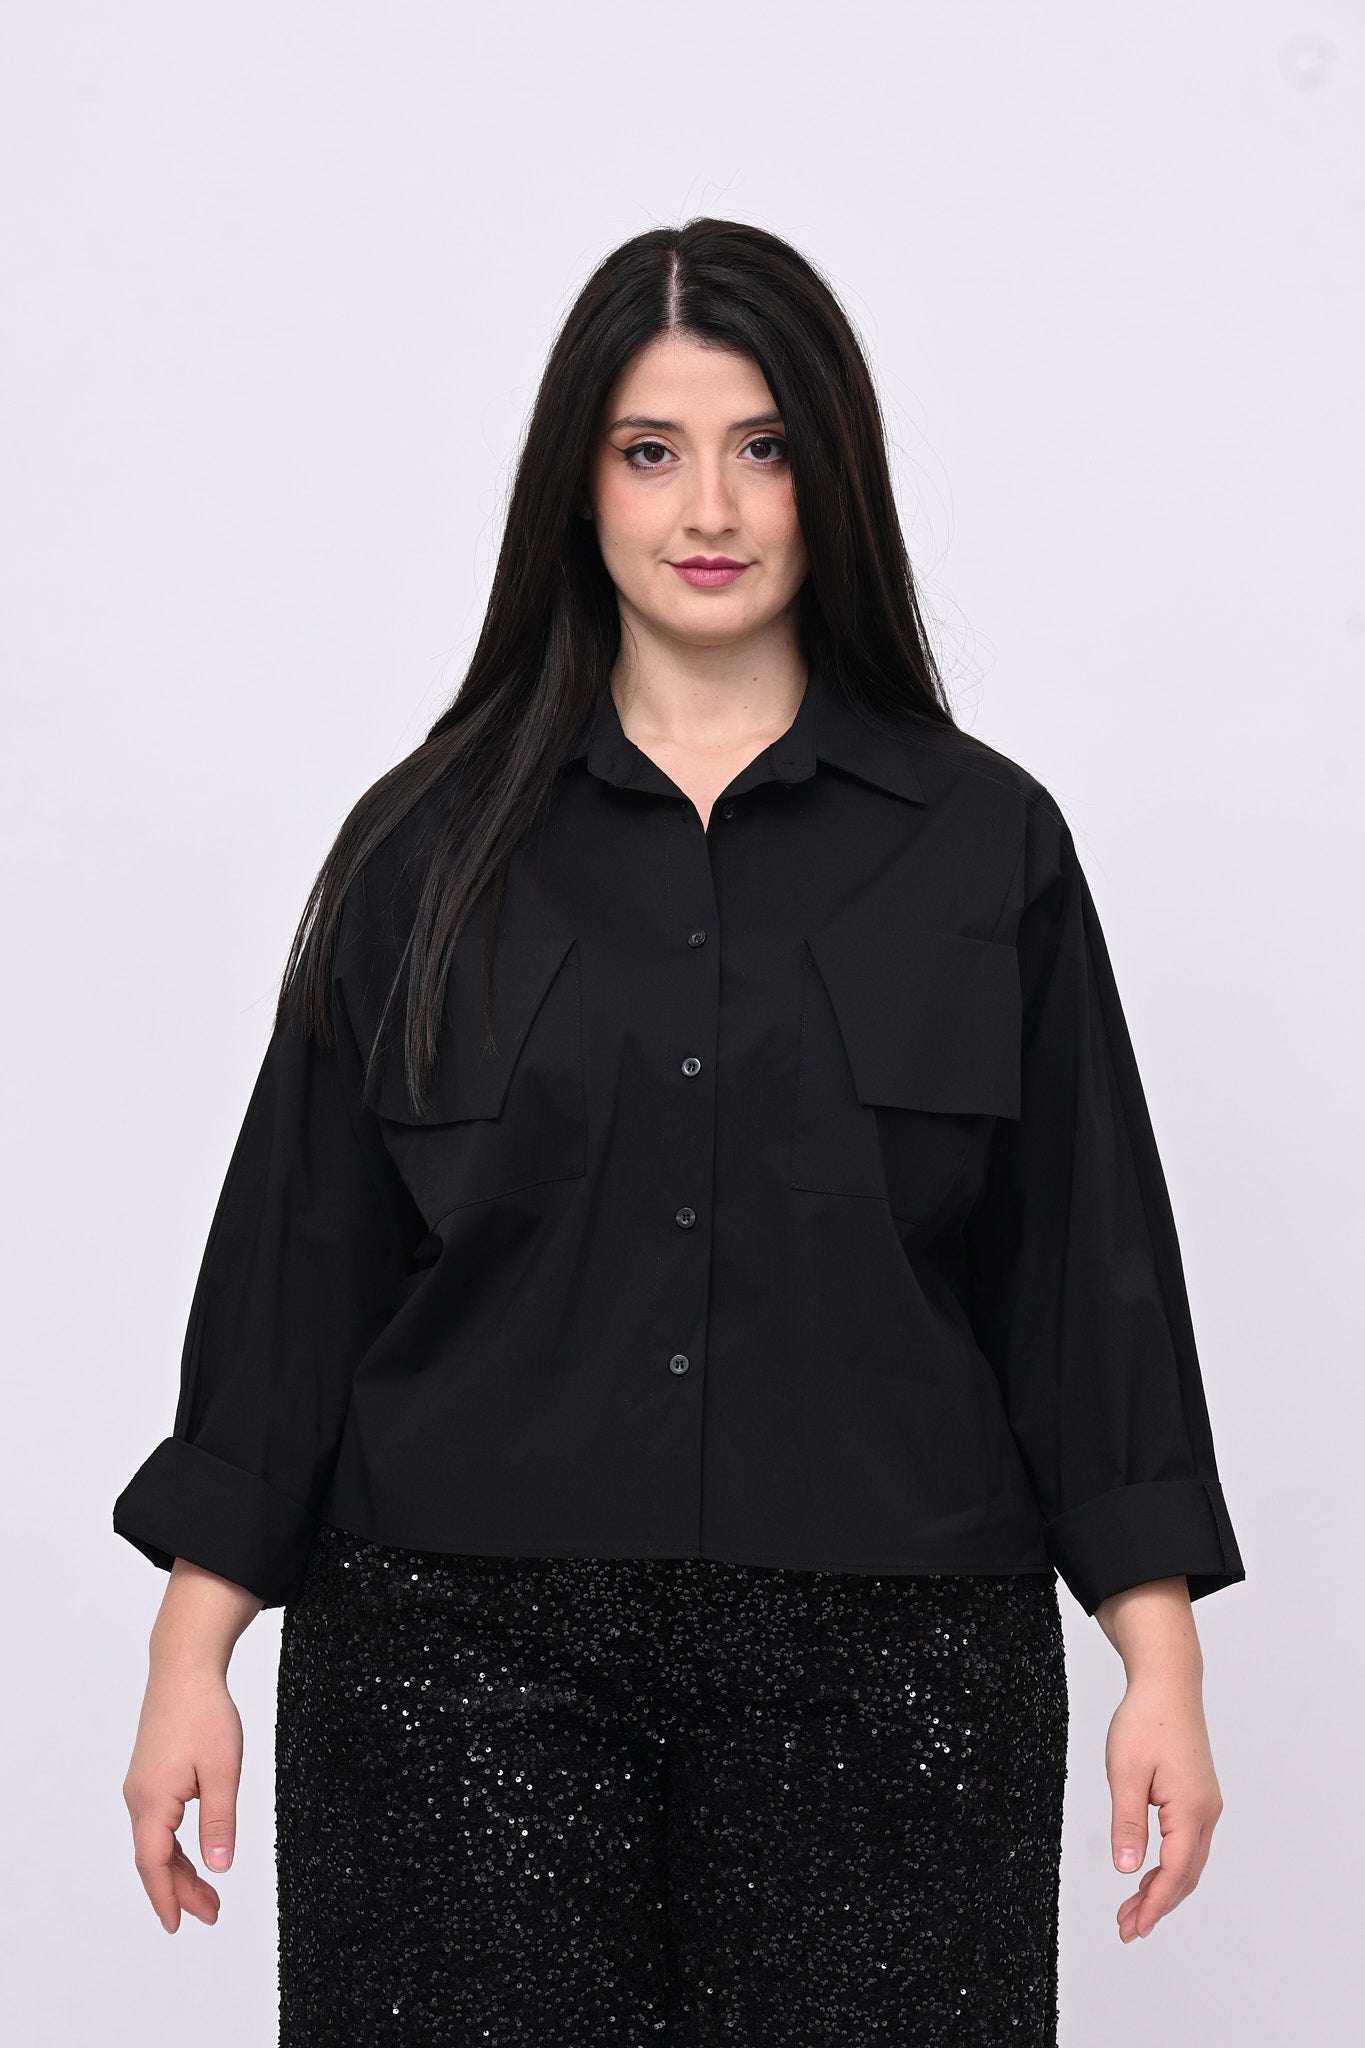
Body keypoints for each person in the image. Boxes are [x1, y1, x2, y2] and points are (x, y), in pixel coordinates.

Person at [113, 218, 1246, 2046]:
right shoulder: (424, 847)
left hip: (892, 1680)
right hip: (452, 1671)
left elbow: (1079, 1271)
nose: (707, 506)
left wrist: (1159, 1659)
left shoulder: (985, 847)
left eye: (762, 446)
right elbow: (298, 1268)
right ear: (578, 486)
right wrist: (192, 1651)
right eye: (650, 449)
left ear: (831, 478)